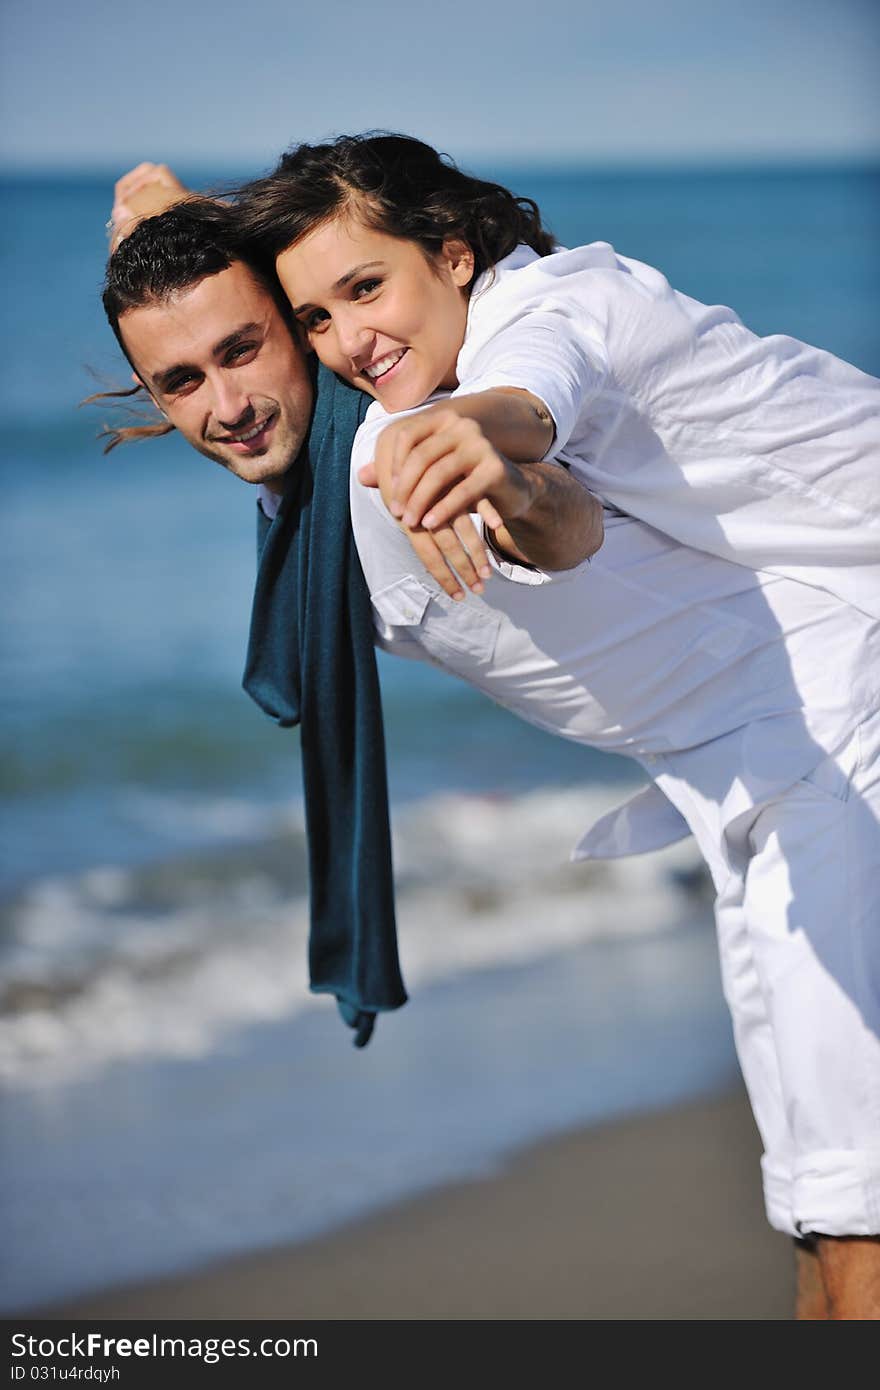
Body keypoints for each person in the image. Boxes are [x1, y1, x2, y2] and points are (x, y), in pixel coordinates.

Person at [99, 168, 879, 1318]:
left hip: (837, 753)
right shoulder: (312, 503)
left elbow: (558, 515)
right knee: (818, 1235)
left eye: (244, 350)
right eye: (181, 380)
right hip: (741, 791)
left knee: (858, 1225)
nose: (226, 402)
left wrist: (491, 473)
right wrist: (168, 210)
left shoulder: (400, 451)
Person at [234, 133, 879, 628]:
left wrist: (446, 431)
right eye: (316, 319)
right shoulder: (494, 306)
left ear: (454, 256)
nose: (348, 343)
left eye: (367, 288)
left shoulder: (552, 307)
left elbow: (532, 399)